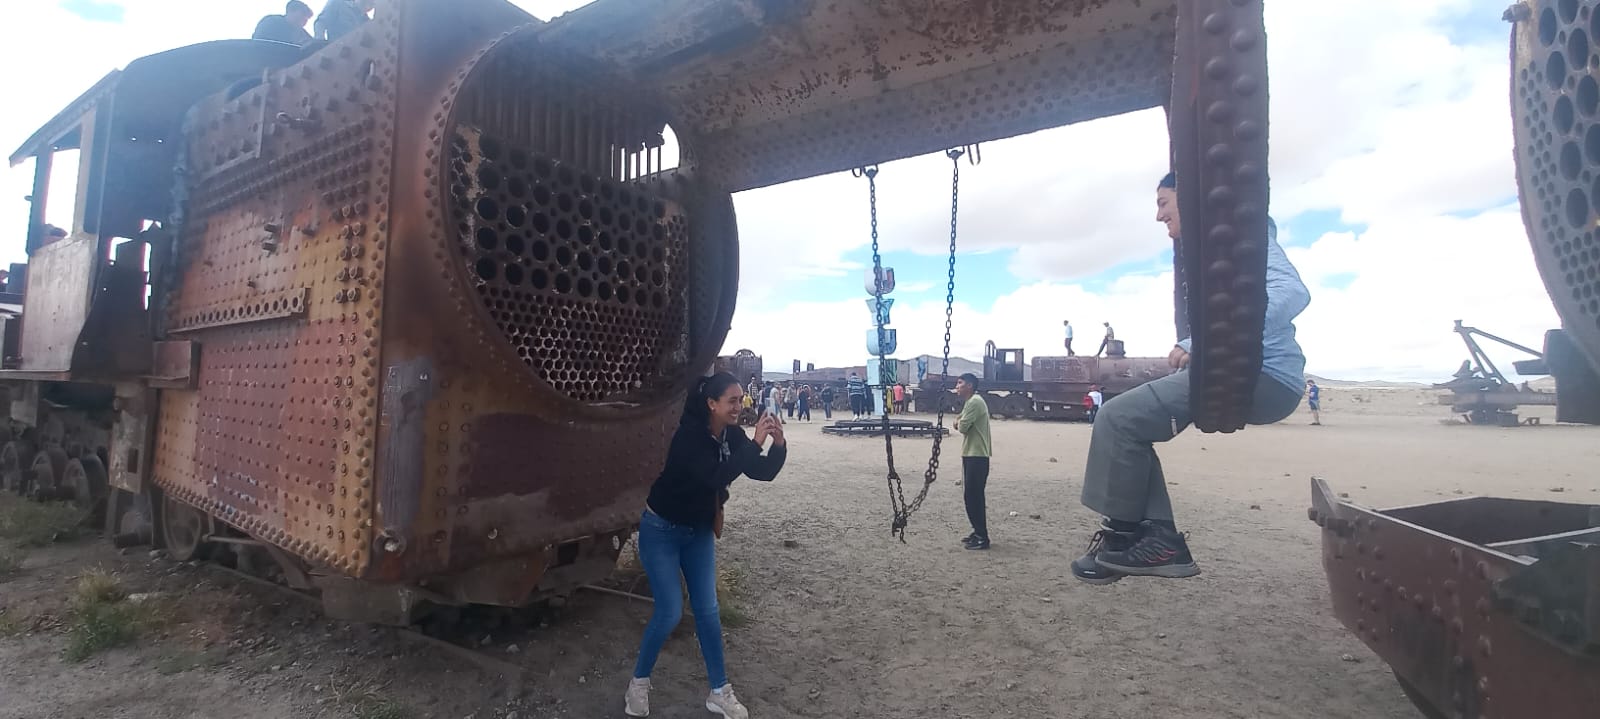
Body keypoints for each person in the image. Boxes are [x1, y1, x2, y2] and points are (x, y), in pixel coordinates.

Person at [1070, 171, 1309, 585]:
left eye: (1164, 202)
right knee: (1133, 424)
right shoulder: (1213, 247)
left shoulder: (1242, 236)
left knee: (1118, 418)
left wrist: (1204, 340)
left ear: (1193, 198)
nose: (1159, 215)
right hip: (1246, 370)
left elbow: (1292, 290)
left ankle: (1130, 541)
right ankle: (1150, 540)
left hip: (1263, 374)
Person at [624, 372, 786, 719]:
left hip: (697, 532)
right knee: (668, 612)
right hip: (661, 530)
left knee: (708, 612)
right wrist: (755, 444)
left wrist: (779, 444)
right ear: (711, 404)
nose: (738, 405)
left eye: (740, 399)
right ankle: (638, 684)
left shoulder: (731, 434)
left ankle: (719, 691)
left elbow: (762, 472)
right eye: (732, 400)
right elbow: (716, 476)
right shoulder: (688, 438)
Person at [953, 373, 993, 550]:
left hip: (977, 455)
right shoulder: (970, 402)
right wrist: (959, 421)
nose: (957, 386)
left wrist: (959, 422)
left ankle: (982, 536)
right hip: (971, 454)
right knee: (970, 495)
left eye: (960, 383)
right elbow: (959, 420)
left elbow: (961, 426)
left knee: (974, 496)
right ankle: (977, 531)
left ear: (969, 386)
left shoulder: (975, 402)